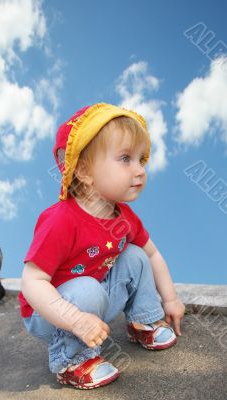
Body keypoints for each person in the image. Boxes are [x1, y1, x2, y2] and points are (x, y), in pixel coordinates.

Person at [19, 103, 185, 390]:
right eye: (125, 158)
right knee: (86, 289)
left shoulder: (124, 217)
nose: (140, 170)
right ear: (83, 170)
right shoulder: (61, 220)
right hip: (48, 310)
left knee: (136, 255)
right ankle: (72, 360)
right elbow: (31, 283)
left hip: (93, 297)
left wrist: (169, 299)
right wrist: (74, 319)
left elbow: (154, 254)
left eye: (141, 160)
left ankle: (143, 322)